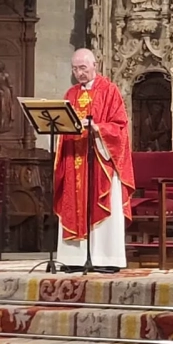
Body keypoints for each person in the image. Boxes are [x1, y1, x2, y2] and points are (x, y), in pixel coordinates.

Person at [53, 48, 135, 270]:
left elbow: (120, 127)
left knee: (101, 205)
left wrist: (98, 128)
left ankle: (105, 259)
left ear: (94, 66)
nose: (79, 73)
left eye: (83, 68)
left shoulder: (109, 91)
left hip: (101, 161)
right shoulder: (70, 95)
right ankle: (73, 259)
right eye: (75, 69)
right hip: (74, 160)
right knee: (73, 204)